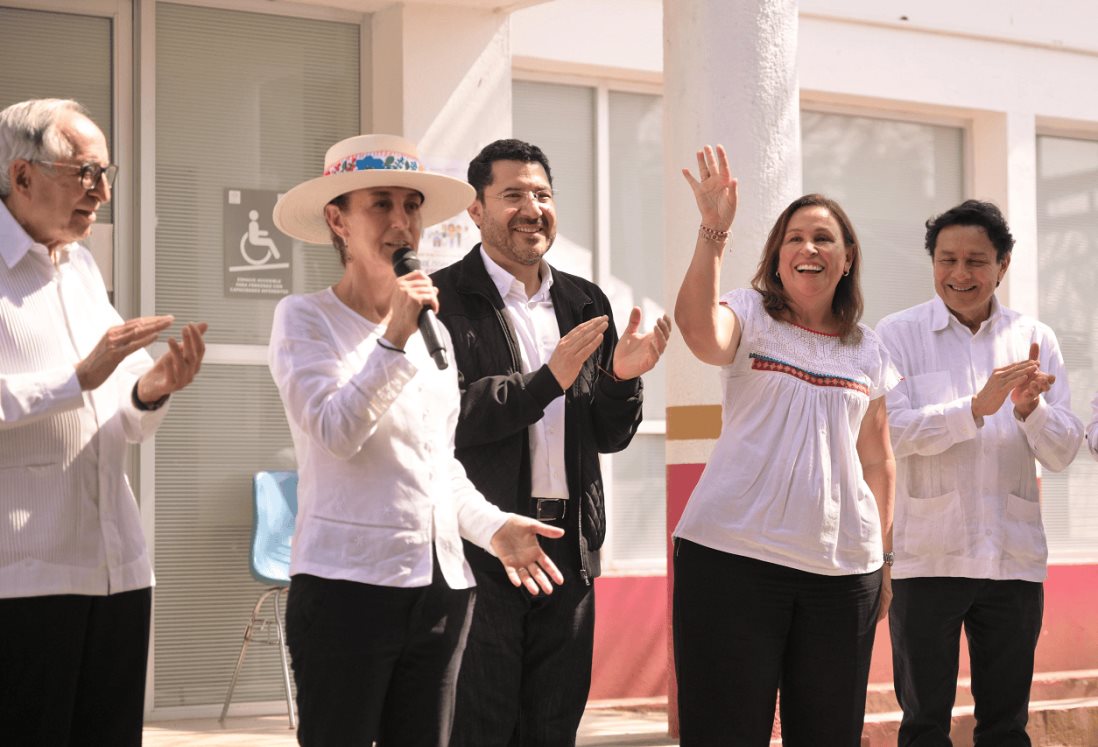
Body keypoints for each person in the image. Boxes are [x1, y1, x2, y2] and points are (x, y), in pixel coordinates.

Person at [267, 133, 566, 747]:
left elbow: (438, 465)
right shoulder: (305, 319)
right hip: (346, 588)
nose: (402, 222)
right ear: (338, 220)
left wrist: (492, 527)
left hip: (440, 591)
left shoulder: (437, 336)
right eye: (380, 203)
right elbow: (335, 432)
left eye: (412, 205)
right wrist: (393, 340)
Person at [431, 138, 671, 747]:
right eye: (512, 195)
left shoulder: (583, 300)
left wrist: (623, 378)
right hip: (484, 546)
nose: (531, 208)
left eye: (542, 194)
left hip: (568, 549)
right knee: (478, 725)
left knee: (551, 726)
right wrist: (547, 381)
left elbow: (610, 435)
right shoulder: (441, 300)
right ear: (476, 211)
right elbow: (449, 417)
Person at [672, 145, 899, 746]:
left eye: (824, 239)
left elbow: (876, 458)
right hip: (731, 560)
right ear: (777, 256)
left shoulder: (868, 349)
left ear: (847, 259)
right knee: (724, 732)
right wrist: (713, 233)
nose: (809, 249)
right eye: (794, 238)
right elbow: (698, 333)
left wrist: (885, 561)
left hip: (843, 572)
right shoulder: (750, 313)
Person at [0, 98, 207, 746]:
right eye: (84, 172)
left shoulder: (82, 268)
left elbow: (123, 420)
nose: (102, 190)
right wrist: (75, 379)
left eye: (104, 172)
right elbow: (82, 380)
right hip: (25, 578)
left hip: (117, 567)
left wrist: (152, 388)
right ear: (21, 175)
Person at [876, 199, 1084, 746]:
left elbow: (1063, 453)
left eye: (976, 261)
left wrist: (1028, 410)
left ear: (1003, 265)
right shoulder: (896, 335)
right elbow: (888, 434)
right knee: (923, 725)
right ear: (932, 263)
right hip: (928, 557)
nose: (960, 274)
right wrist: (974, 407)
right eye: (947, 260)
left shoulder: (1035, 340)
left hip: (1012, 561)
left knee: (1006, 725)